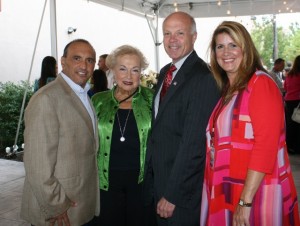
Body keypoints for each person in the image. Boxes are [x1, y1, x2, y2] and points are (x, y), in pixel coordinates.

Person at [201, 21, 299, 226]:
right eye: (220, 46)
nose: (226, 52)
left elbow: (266, 146)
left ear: (246, 48)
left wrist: (245, 202)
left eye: (233, 45)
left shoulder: (260, 84)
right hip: (230, 184)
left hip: (255, 190)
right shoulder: (231, 88)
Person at [143, 12, 220, 226]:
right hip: (160, 182)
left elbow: (194, 144)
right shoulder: (166, 71)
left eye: (179, 33)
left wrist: (173, 194)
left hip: (180, 193)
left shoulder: (204, 77)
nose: (172, 40)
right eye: (167, 33)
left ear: (194, 36)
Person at [21, 39, 100, 226]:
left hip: (78, 204)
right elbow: (37, 164)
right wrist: (56, 205)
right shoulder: (46, 99)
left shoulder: (84, 95)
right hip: (59, 210)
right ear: (63, 62)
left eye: (90, 60)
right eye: (77, 58)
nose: (84, 65)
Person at [92, 45, 155, 226]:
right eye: (122, 69)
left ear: (141, 73)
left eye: (135, 70)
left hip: (141, 184)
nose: (129, 76)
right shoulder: (98, 101)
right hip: (106, 183)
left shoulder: (152, 99)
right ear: (112, 71)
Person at [284, 55, 300, 155]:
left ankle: (288, 146)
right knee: (298, 125)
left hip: (288, 101)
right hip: (297, 102)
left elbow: (285, 87)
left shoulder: (289, 74)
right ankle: (296, 147)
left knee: (289, 124)